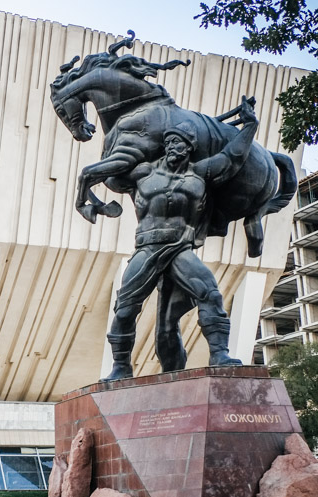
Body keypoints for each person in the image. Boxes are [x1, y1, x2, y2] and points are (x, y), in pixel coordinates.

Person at [103, 95, 258, 380]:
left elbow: (232, 157)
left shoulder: (200, 173)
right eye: (172, 142)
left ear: (191, 148)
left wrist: (250, 126)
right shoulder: (143, 171)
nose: (176, 147)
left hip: (179, 247)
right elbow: (110, 172)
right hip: (147, 247)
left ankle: (219, 354)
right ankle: (120, 366)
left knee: (210, 293)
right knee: (125, 308)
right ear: (165, 145)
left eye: (183, 144)